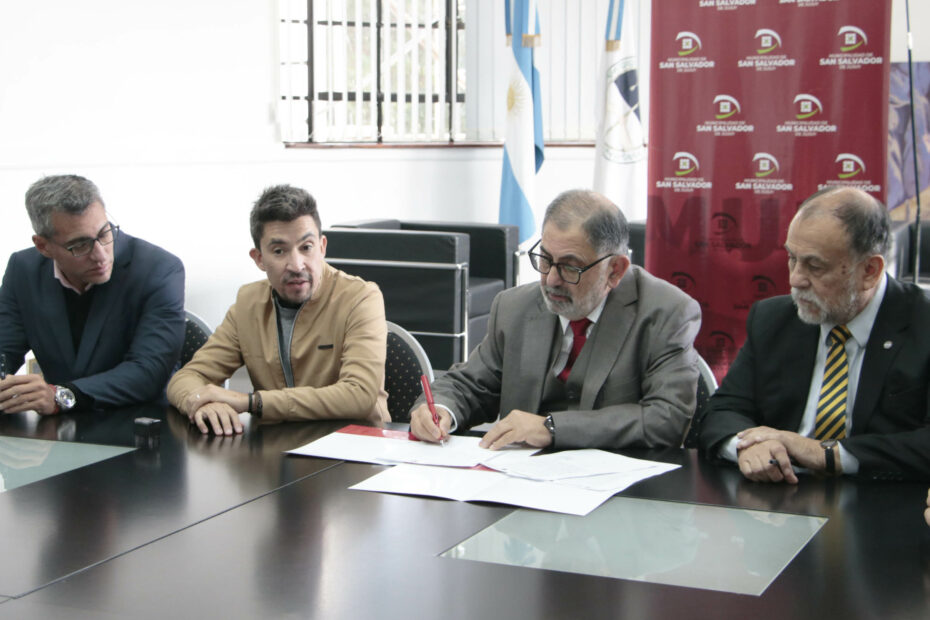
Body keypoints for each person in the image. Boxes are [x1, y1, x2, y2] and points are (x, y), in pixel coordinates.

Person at [409, 189, 701, 450]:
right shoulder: (514, 307)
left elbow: (668, 418)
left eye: (570, 267)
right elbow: (471, 385)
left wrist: (552, 428)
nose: (551, 280)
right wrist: (441, 409)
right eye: (545, 259)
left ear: (615, 270)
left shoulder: (666, 312)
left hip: (619, 484)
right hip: (519, 479)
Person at [698, 187, 930, 482]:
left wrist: (826, 454)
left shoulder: (921, 324)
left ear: (870, 270)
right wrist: (748, 446)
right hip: (781, 492)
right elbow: (722, 410)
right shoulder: (773, 319)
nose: (795, 279)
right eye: (792, 258)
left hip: (882, 495)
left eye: (815, 266)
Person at [167, 184, 388, 435]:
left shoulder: (360, 298)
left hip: (354, 446)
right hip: (276, 446)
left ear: (322, 247)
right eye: (279, 251)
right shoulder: (248, 304)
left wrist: (252, 403)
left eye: (306, 247)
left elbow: (359, 395)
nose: (296, 265)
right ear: (259, 258)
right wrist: (201, 403)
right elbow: (186, 378)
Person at [0, 174, 185, 414]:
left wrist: (61, 396)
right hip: (59, 427)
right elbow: (5, 348)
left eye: (104, 233)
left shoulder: (159, 269)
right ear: (43, 246)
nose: (101, 255)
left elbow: (150, 370)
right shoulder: (23, 270)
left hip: (142, 420)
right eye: (80, 245)